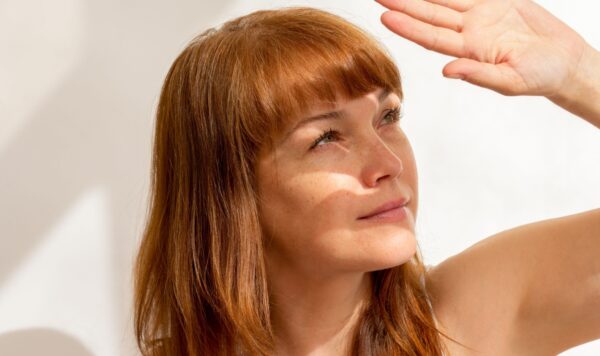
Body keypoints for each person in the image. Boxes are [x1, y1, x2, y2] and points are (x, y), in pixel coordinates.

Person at [133, 1, 600, 355]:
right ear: (228, 189)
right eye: (326, 137)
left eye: (388, 116)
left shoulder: (459, 325)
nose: (389, 164)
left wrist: (582, 76)